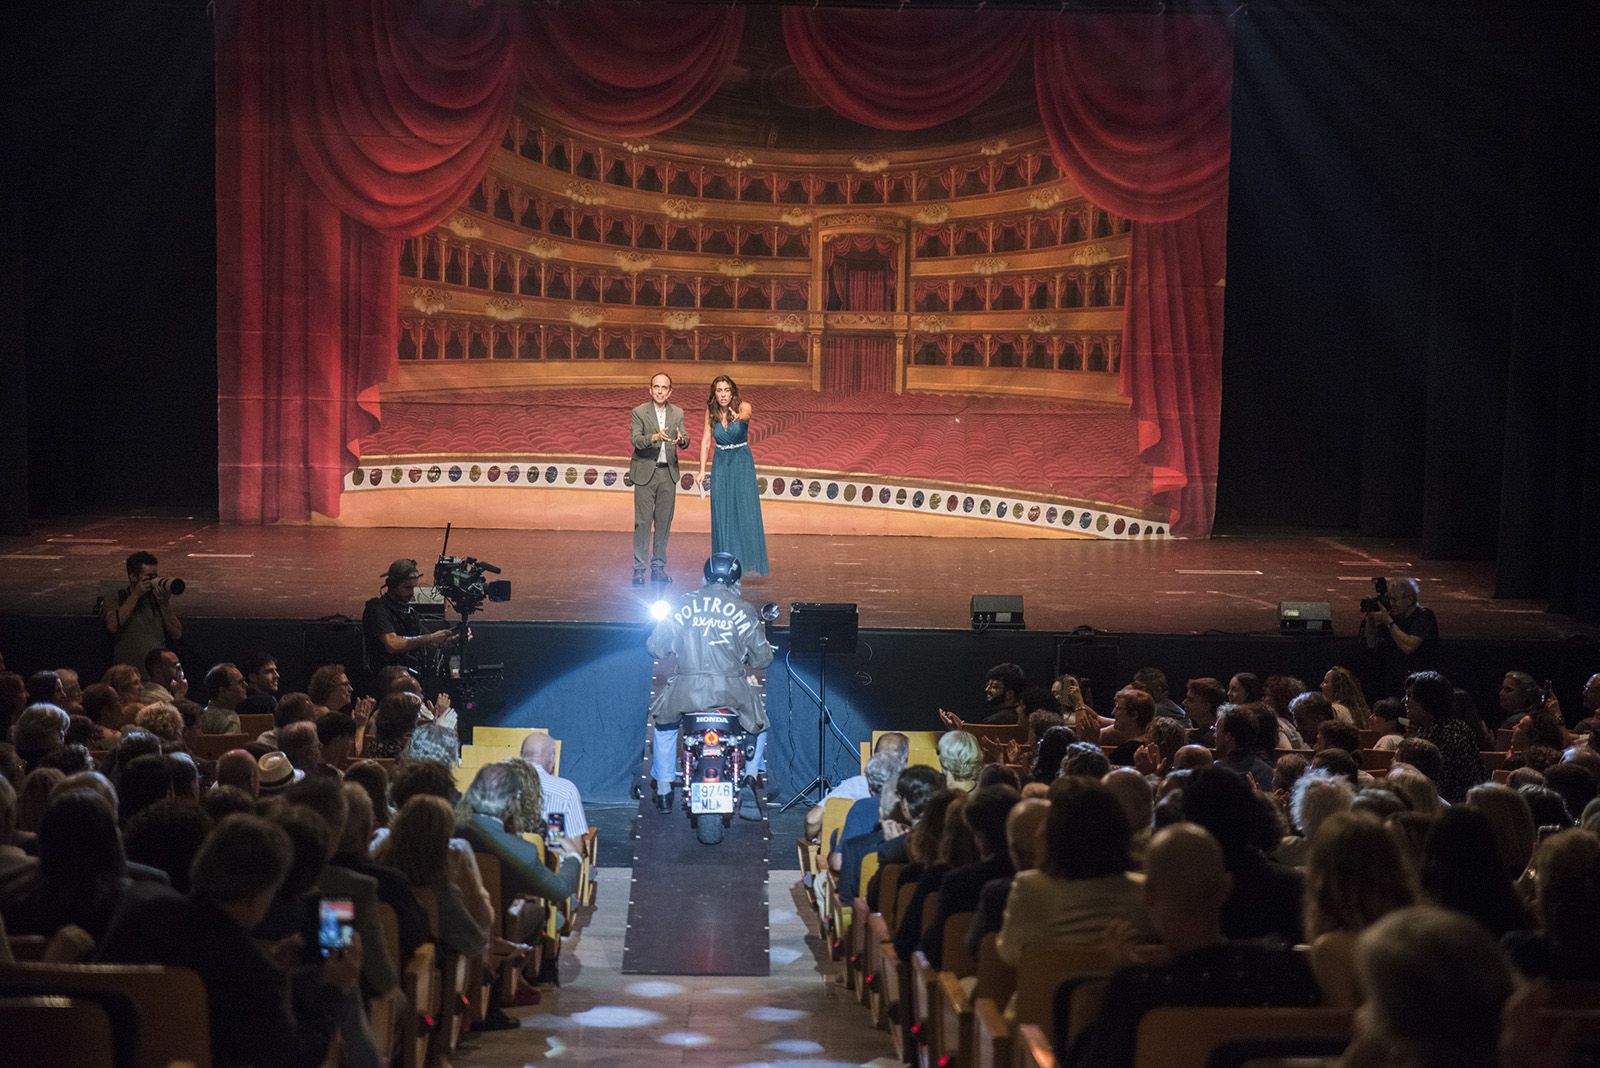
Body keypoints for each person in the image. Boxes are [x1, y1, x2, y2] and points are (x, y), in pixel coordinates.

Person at [645, 552, 774, 812]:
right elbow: (763, 659)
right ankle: (750, 777)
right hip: (731, 691)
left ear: (705, 577)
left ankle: (664, 788)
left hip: (685, 690)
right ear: (736, 581)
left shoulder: (682, 604)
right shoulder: (744, 609)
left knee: (664, 724)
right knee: (759, 724)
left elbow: (655, 648)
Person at [698, 374, 768, 576]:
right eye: (719, 391)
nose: (723, 395)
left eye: (726, 390)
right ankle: (725, 561)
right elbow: (706, 441)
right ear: (714, 394)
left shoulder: (743, 406)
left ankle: (745, 561)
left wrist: (739, 417)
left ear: (732, 392)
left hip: (741, 463)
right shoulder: (711, 411)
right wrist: (702, 470)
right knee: (722, 511)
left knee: (744, 509)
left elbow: (746, 415)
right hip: (721, 463)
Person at [629, 371, 691, 586]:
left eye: (664, 388)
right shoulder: (639, 412)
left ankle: (658, 568)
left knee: (663, 523)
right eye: (656, 387)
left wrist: (681, 440)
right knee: (643, 523)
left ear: (670, 391)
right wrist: (655, 437)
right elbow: (636, 440)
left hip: (668, 473)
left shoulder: (677, 413)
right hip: (645, 472)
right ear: (650, 390)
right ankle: (639, 570)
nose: (660, 391)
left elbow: (686, 438)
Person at [361, 559, 455, 687]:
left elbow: (431, 642)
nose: (412, 593)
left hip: (410, 678)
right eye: (407, 588)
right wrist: (430, 637)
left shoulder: (409, 612)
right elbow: (392, 644)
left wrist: (451, 640)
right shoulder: (377, 609)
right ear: (392, 585)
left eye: (414, 587)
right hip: (387, 682)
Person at [1359, 576, 1439, 697]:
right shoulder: (1392, 616)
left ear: (1409, 600)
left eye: (1395, 600)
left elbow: (1409, 647)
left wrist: (1389, 622)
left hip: (1420, 684)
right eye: (1389, 599)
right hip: (1393, 680)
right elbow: (1371, 643)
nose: (1391, 604)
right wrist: (1370, 618)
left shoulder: (1424, 616)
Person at [103, 550, 182, 669]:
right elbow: (112, 625)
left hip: (156, 673)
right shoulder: (118, 596)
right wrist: (135, 595)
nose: (153, 580)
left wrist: (164, 603)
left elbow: (177, 633)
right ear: (133, 577)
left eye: (155, 576)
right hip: (128, 671)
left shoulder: (157, 599)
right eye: (148, 576)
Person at [518, 731, 589, 838]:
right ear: (552, 759)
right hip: (546, 846)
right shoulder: (565, 790)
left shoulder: (497, 784)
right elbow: (570, 844)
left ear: (520, 756)